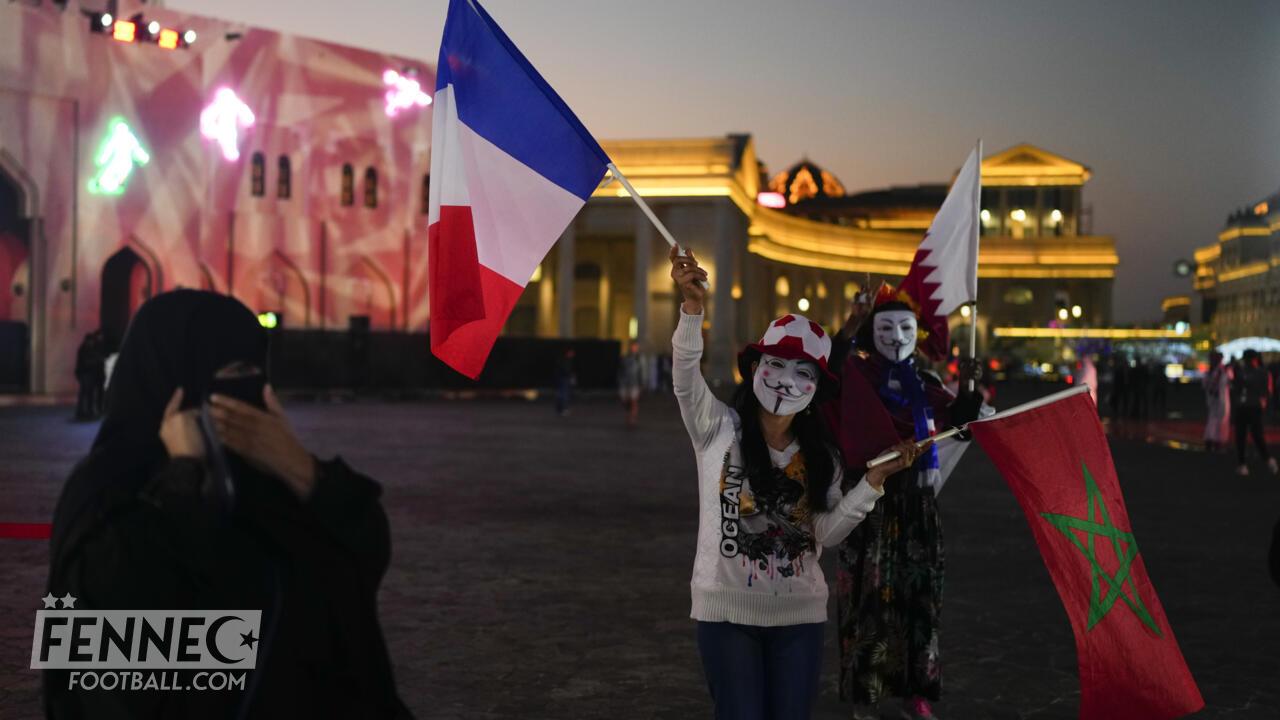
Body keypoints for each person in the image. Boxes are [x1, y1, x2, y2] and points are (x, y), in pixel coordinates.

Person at [45, 290, 410, 719]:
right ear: (174, 378)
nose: (248, 389)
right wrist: (183, 482)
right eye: (230, 371)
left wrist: (303, 471)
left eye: (255, 371)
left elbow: (361, 559)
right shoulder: (107, 493)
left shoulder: (264, 476)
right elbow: (122, 681)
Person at [669, 247, 922, 720]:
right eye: (777, 365)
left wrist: (870, 483)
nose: (786, 381)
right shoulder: (717, 429)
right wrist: (692, 310)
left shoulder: (821, 456)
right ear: (756, 369)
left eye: (803, 373)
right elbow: (686, 381)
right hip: (726, 614)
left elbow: (823, 533)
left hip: (799, 617)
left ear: (814, 393)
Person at [825, 284, 985, 720]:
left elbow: (962, 425)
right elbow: (831, 371)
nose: (896, 336)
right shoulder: (857, 378)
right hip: (870, 507)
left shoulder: (929, 384)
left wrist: (969, 392)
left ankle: (916, 690)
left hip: (919, 508)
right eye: (886, 327)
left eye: (905, 328)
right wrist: (852, 322)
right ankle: (866, 693)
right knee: (869, 603)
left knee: (920, 603)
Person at [1231, 349, 1277, 476]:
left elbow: (1239, 387)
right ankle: (1263, 461)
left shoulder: (1256, 373)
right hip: (1250, 406)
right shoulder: (1260, 372)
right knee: (1247, 435)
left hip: (1250, 406)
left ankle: (1254, 462)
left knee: (1251, 435)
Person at [1203, 351, 1231, 453]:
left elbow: (1205, 384)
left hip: (1212, 398)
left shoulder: (1211, 371)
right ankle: (1216, 440)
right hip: (1221, 398)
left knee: (1212, 419)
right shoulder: (1221, 371)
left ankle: (1210, 439)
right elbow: (1228, 381)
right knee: (1220, 419)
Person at [618, 340, 644, 427]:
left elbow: (640, 372)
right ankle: (628, 416)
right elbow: (621, 370)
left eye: (636, 347)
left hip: (634, 383)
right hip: (625, 383)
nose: (635, 348)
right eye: (633, 346)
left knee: (633, 401)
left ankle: (632, 418)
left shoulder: (639, 359)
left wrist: (641, 383)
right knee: (626, 402)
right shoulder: (625, 358)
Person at [554, 348, 575, 416]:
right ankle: (562, 410)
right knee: (563, 395)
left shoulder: (566, 360)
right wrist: (570, 377)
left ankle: (561, 410)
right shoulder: (564, 360)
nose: (572, 354)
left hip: (562, 379)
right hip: (563, 379)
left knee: (562, 395)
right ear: (567, 353)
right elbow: (565, 370)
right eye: (571, 353)